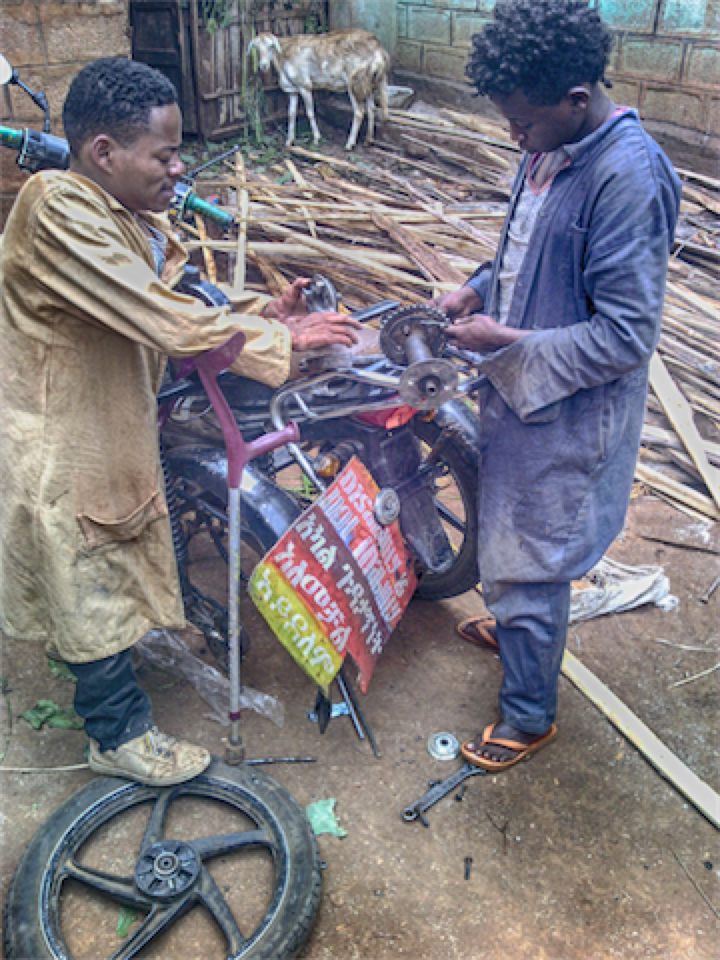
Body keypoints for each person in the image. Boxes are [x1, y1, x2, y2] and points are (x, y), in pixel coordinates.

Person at [0, 57, 361, 786]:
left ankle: (108, 682)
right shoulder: (57, 206)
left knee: (101, 555)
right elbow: (160, 314)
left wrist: (264, 312)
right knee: (84, 569)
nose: (177, 167)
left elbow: (175, 296)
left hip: (103, 412)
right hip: (58, 432)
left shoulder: (119, 215)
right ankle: (118, 735)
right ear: (106, 152)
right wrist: (282, 344)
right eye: (164, 153)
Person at [436, 0, 681, 771]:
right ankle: (517, 629)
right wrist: (479, 288)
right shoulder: (552, 142)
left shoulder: (626, 179)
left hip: (570, 410)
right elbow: (522, 251)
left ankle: (529, 713)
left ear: (577, 99)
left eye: (525, 125)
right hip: (522, 388)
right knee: (511, 529)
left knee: (535, 552)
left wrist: (503, 342)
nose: (516, 137)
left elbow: (625, 337)